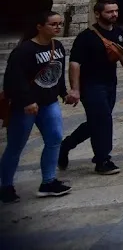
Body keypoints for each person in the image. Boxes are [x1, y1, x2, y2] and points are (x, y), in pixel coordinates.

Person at [1, 13, 77, 203]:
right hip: (25, 107)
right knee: (16, 146)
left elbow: (57, 72)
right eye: (53, 24)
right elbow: (13, 80)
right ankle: (5, 186)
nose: (58, 28)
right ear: (39, 26)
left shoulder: (57, 47)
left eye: (60, 24)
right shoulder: (24, 51)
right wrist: (26, 101)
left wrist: (64, 93)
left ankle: (48, 182)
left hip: (49, 102)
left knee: (54, 139)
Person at [59, 0, 123, 176]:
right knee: (103, 120)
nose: (114, 15)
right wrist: (75, 89)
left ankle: (66, 145)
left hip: (110, 83)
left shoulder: (118, 32)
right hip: (91, 85)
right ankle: (102, 160)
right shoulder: (86, 37)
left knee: (97, 122)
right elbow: (74, 64)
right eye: (109, 12)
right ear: (97, 14)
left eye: (116, 11)